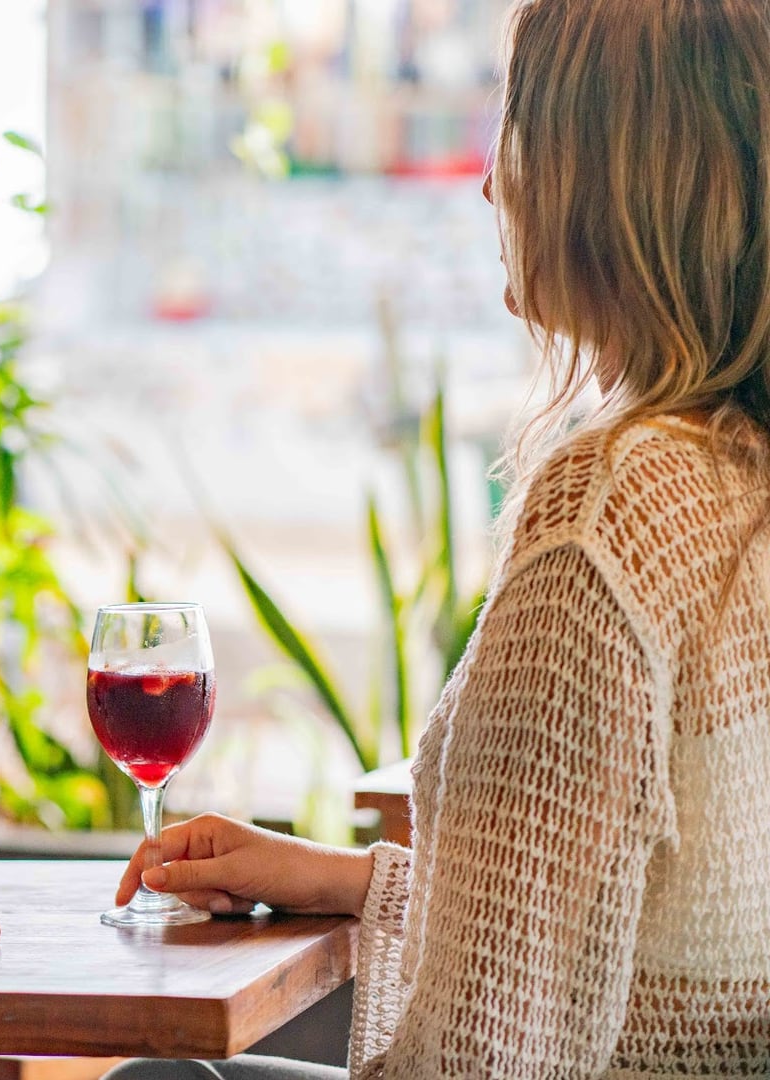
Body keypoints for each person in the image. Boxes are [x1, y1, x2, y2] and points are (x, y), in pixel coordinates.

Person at [107, 1, 770, 1076]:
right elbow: (637, 934)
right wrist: (349, 879)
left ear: (607, 180)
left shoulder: (616, 517)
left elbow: (479, 1050)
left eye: (521, 138)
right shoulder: (740, 472)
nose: (491, 185)